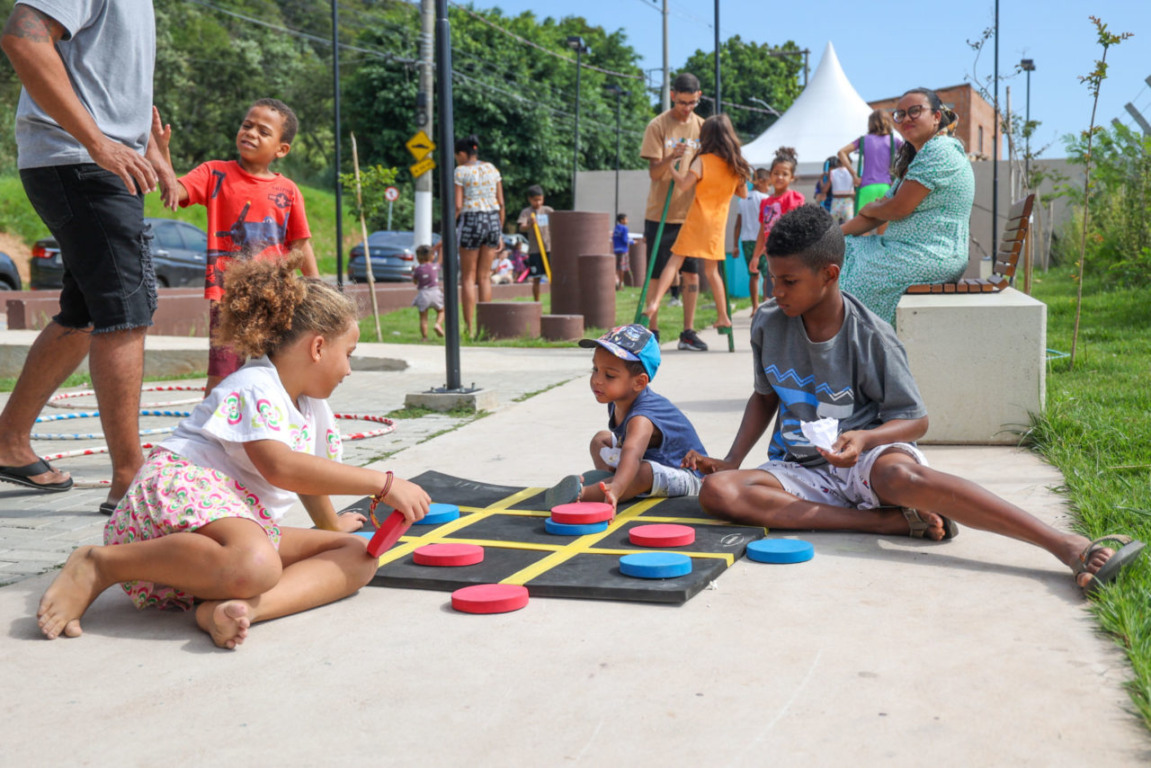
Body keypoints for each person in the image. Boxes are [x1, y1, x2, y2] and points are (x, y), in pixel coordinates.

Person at [683, 205, 1145, 594]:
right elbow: (764, 398)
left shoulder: (871, 337)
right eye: (772, 280)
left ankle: (1065, 545)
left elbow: (915, 420)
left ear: (829, 275)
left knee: (900, 473)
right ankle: (887, 524)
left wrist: (864, 440)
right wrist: (731, 459)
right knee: (719, 493)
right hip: (800, 468)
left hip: (865, 459)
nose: (775, 293)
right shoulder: (769, 323)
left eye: (788, 282)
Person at [36, 255, 432, 647]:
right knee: (256, 563)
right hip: (174, 500)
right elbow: (281, 467)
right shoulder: (256, 385)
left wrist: (330, 528)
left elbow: (307, 477)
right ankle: (100, 563)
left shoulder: (311, 406)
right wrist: (384, 483)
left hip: (235, 529)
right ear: (317, 347)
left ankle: (236, 609)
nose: (348, 369)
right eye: (348, 354)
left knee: (356, 556)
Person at [0, 1, 171, 514]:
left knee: (84, 313)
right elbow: (22, 36)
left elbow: (115, 73)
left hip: (100, 160)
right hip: (81, 163)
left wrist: (151, 148)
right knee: (126, 313)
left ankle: (9, 439)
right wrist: (99, 143)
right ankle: (129, 479)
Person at [151, 99, 319, 395]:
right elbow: (175, 193)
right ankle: (210, 438)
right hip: (228, 299)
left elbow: (300, 245)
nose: (251, 133)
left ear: (281, 149)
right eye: (247, 125)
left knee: (278, 375)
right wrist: (161, 150)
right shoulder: (214, 173)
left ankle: (271, 434)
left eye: (263, 131)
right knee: (223, 377)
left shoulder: (289, 191)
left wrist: (317, 290)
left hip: (275, 300)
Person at [839, 88, 975, 325]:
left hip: (931, 254)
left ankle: (857, 341)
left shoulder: (941, 150)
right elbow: (880, 214)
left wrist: (873, 208)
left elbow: (897, 208)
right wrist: (829, 237)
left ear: (936, 116)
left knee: (842, 277)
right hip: (908, 249)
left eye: (915, 111)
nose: (906, 118)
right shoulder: (919, 157)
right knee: (837, 252)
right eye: (900, 114)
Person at [545, 324, 708, 510]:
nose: (597, 379)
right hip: (651, 463)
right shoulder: (615, 400)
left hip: (690, 477)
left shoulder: (643, 418)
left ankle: (587, 494)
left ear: (639, 382)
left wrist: (618, 487)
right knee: (600, 440)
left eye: (609, 375)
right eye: (595, 369)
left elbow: (632, 452)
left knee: (643, 471)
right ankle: (607, 479)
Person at [643, 114, 752, 334]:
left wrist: (673, 168)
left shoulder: (703, 161)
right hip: (717, 225)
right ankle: (723, 316)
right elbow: (743, 192)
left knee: (674, 261)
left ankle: (654, 303)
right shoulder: (736, 165)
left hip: (697, 220)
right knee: (712, 272)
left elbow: (683, 185)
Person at [640, 72, 708, 351]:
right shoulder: (658, 126)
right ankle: (652, 332)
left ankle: (687, 333)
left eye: (692, 103)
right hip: (661, 214)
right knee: (656, 275)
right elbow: (655, 174)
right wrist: (672, 156)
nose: (687, 108)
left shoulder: (704, 127)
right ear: (672, 96)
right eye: (682, 102)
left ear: (699, 97)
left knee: (692, 275)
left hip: (690, 214)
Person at [454, 135, 505, 337]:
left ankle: (469, 328)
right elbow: (501, 202)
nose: (457, 159)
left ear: (463, 154)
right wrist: (499, 231)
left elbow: (458, 205)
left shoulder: (461, 171)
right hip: (492, 220)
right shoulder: (492, 168)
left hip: (471, 221)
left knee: (468, 277)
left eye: (457, 155)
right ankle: (486, 328)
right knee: (485, 277)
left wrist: (450, 225)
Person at [750, 147, 805, 301]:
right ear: (770, 175)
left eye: (785, 174)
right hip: (771, 256)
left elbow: (796, 227)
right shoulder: (765, 202)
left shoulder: (793, 198)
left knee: (791, 290)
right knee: (775, 291)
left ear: (792, 177)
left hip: (789, 254)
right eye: (776, 173)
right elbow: (762, 231)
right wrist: (755, 256)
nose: (780, 177)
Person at [838, 108, 903, 217]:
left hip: (866, 186)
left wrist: (854, 174)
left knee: (862, 228)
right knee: (883, 229)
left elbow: (841, 152)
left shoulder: (863, 140)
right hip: (886, 188)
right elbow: (910, 154)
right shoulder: (893, 140)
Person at [733, 168, 771, 311]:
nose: (768, 188)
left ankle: (755, 307)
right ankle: (767, 303)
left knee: (753, 274)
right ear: (760, 182)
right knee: (767, 273)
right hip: (762, 240)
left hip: (746, 240)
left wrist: (735, 245)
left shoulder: (742, 198)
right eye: (768, 184)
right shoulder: (765, 198)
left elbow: (738, 224)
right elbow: (767, 221)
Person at [515, 185, 553, 302]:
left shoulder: (548, 211)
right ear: (530, 199)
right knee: (536, 277)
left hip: (549, 248)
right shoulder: (526, 212)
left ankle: (555, 301)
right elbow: (522, 227)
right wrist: (530, 224)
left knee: (553, 276)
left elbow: (558, 223)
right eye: (535, 200)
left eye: (540, 199)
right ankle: (537, 302)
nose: (538, 202)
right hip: (535, 250)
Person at [412, 245, 444, 341]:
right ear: (432, 257)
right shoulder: (435, 266)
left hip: (423, 294)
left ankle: (425, 337)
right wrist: (441, 249)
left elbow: (415, 282)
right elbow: (440, 261)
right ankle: (438, 324)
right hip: (435, 292)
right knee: (441, 311)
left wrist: (414, 272)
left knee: (423, 317)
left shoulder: (418, 269)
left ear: (418, 258)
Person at [828, 157, 856, 225]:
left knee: (832, 225)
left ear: (837, 163)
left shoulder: (832, 172)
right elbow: (856, 186)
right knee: (850, 224)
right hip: (848, 200)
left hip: (836, 200)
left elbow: (826, 188)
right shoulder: (853, 172)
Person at [613, 213, 630, 290]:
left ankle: (615, 283)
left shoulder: (616, 228)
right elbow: (625, 240)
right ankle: (620, 285)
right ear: (622, 220)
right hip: (623, 250)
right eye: (626, 219)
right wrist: (633, 242)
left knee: (617, 267)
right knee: (622, 268)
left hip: (616, 250)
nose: (627, 221)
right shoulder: (624, 228)